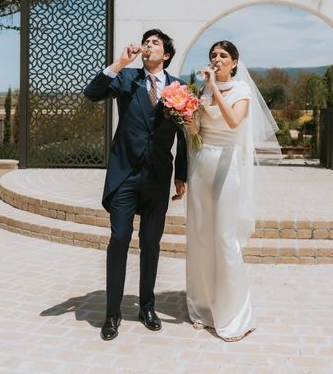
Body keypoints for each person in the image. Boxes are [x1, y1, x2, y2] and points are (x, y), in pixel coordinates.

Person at [84, 29, 188, 341]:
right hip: (125, 174)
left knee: (151, 243)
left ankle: (146, 306)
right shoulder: (125, 77)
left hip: (157, 177)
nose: (148, 46)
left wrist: (181, 174)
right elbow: (92, 92)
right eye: (146, 42)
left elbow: (183, 135)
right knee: (119, 239)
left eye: (155, 43)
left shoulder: (178, 86)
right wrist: (118, 64)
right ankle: (112, 313)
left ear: (166, 54)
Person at [185, 40, 279, 342]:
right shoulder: (201, 91)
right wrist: (186, 116)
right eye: (213, 55)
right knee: (200, 235)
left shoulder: (241, 91)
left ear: (235, 62)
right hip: (201, 163)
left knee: (224, 238)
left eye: (223, 55)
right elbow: (198, 130)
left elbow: (233, 121)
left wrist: (213, 87)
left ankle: (234, 313)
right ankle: (202, 307)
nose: (217, 59)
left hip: (227, 165)